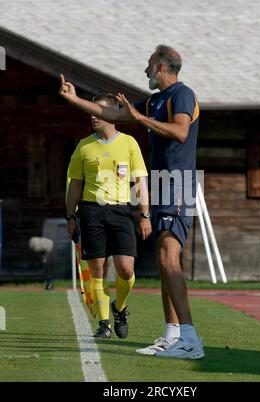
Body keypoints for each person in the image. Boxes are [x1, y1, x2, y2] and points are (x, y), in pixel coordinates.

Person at [60, 45, 204, 359]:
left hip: (177, 182)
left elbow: (180, 132)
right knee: (165, 265)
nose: (145, 70)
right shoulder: (154, 100)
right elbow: (111, 113)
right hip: (163, 183)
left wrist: (138, 116)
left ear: (163, 67)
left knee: (168, 259)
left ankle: (191, 340)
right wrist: (74, 99)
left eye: (149, 65)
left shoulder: (182, 94)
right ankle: (172, 335)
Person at [66, 92, 151, 339]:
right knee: (98, 269)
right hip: (91, 211)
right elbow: (74, 185)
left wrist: (145, 214)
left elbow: (140, 182)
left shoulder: (129, 143)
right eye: (91, 110)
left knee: (126, 269)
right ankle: (104, 324)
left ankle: (120, 308)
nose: (93, 115)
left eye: (98, 111)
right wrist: (70, 217)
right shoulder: (84, 146)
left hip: (121, 210)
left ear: (112, 114)